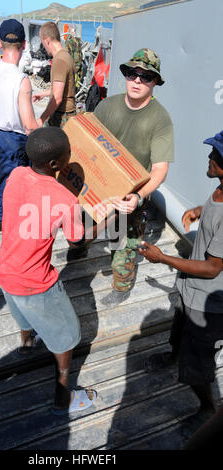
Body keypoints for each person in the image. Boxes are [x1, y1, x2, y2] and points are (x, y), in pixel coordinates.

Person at [0, 127, 117, 414]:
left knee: (22, 312)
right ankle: (63, 395)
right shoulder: (65, 200)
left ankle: (27, 344)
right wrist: (109, 216)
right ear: (56, 164)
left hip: (5, 270)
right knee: (67, 336)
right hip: (35, 282)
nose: (70, 155)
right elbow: (77, 241)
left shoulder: (15, 175)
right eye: (67, 153)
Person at [140, 130, 223, 419]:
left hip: (208, 305)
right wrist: (203, 209)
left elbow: (213, 267)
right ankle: (173, 355)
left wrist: (162, 257)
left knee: (197, 362)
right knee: (178, 329)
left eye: (217, 156)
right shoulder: (219, 189)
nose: (210, 158)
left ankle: (207, 408)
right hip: (190, 290)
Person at [94, 48, 174, 298]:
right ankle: (80, 245)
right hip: (100, 183)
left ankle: (122, 286)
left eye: (146, 76)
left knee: (125, 244)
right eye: (132, 73)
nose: (137, 80)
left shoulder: (160, 119)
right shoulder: (107, 106)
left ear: (155, 82)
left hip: (133, 193)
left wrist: (139, 197)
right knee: (83, 223)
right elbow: (89, 142)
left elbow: (160, 170)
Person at [0, 19, 39, 232]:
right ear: (23, 45)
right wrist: (41, 124)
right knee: (19, 189)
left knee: (0, 180)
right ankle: (14, 225)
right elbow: (30, 127)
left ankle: (0, 216)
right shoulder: (21, 80)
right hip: (14, 142)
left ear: (1, 43)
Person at [32, 21, 76, 128]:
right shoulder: (66, 55)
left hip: (61, 117)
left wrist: (41, 119)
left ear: (47, 41)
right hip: (68, 115)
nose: (43, 47)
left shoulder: (59, 61)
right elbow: (62, 89)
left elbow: (57, 98)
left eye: (43, 43)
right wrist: (43, 94)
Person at [65, 25, 83, 91]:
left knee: (78, 77)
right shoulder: (69, 41)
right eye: (73, 31)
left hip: (78, 63)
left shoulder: (77, 40)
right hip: (74, 64)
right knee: (73, 79)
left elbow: (79, 51)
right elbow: (68, 53)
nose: (74, 32)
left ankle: (76, 88)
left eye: (75, 31)